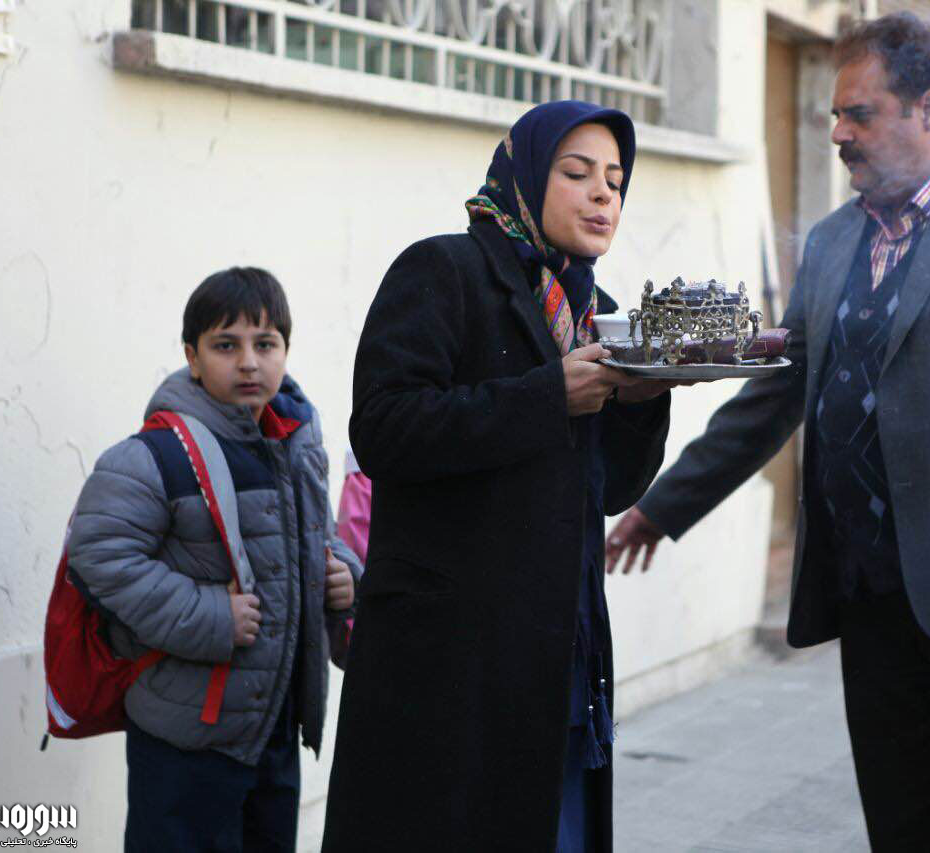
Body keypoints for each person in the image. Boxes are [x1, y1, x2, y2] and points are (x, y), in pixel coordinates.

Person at [606, 13, 930, 852]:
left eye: (860, 113)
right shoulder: (833, 241)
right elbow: (778, 397)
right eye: (835, 116)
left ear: (929, 109)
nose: (839, 134)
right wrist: (662, 508)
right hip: (872, 602)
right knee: (905, 829)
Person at [321, 101, 675, 852]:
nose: (602, 194)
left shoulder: (602, 315)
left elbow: (612, 490)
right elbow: (383, 429)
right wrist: (549, 396)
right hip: (450, 665)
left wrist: (644, 401)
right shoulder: (443, 271)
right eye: (577, 173)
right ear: (525, 175)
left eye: (616, 181)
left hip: (558, 657)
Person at [67, 267, 364, 852]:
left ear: (285, 350)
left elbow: (314, 536)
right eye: (226, 346)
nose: (249, 363)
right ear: (192, 357)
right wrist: (211, 616)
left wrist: (343, 575)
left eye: (265, 344)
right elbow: (97, 555)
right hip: (187, 741)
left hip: (274, 729)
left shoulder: (296, 441)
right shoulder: (156, 453)